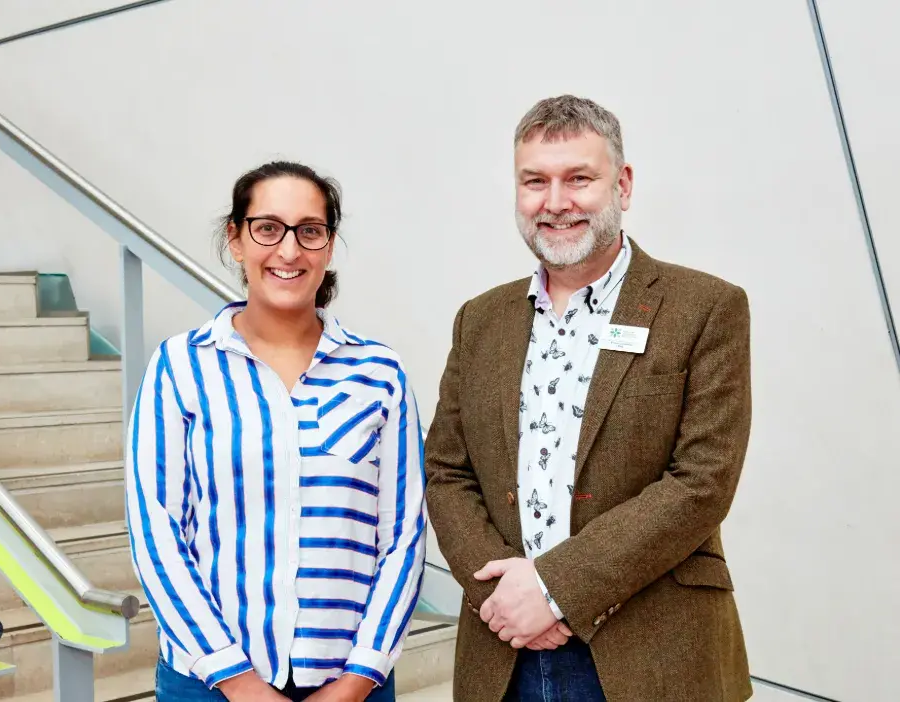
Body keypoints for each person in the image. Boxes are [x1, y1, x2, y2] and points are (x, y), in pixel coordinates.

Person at [424, 95, 753, 701]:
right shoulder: (480, 320)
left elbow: (702, 481)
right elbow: (446, 471)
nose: (555, 202)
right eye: (535, 182)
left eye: (579, 178)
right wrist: (502, 595)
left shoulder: (705, 308)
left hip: (651, 656)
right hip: (505, 656)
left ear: (622, 184)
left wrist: (552, 589)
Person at [125, 161, 426, 702]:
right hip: (208, 684)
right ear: (236, 239)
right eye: (267, 228)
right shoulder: (180, 366)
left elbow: (402, 538)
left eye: (310, 231)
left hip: (352, 685)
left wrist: (358, 679)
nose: (289, 251)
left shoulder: (380, 371)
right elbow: (157, 533)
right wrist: (239, 684)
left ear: (329, 247)